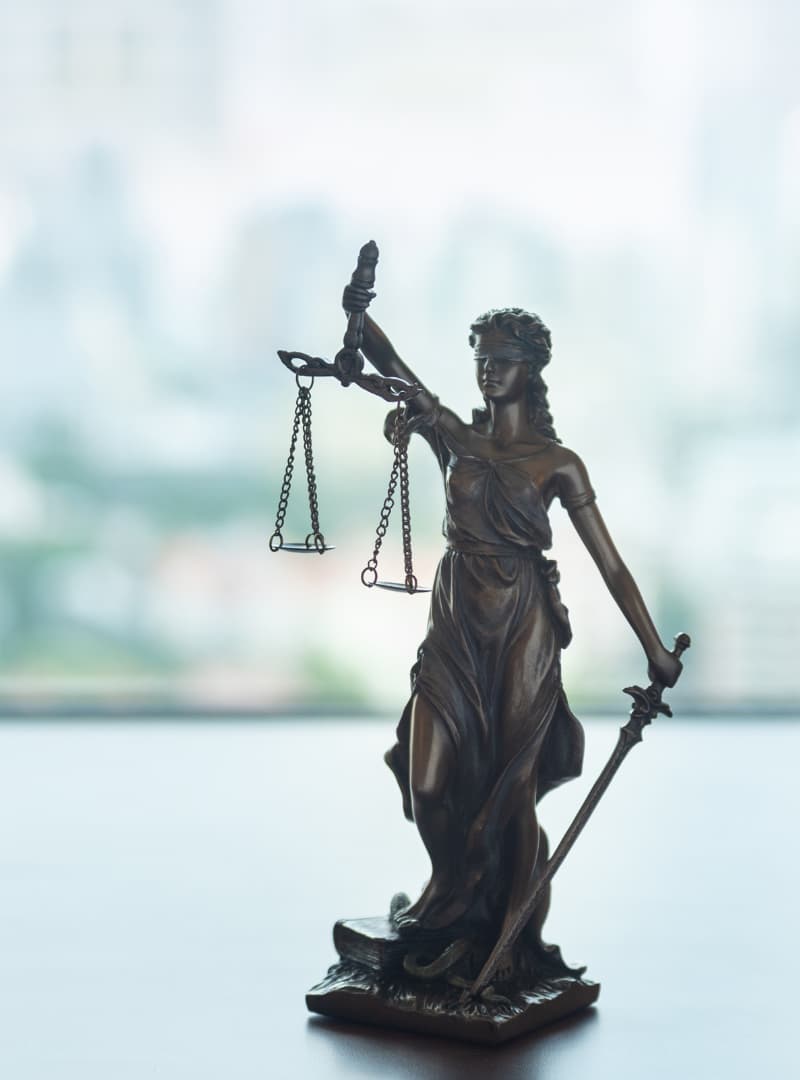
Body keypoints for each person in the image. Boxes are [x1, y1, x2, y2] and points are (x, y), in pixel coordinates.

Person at [343, 286, 682, 984]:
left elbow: (610, 562)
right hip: (456, 624)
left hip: (522, 629)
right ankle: (455, 892)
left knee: (511, 787)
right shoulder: (454, 437)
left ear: (531, 368)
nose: (487, 370)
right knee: (429, 780)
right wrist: (356, 321)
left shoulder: (558, 463)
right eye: (479, 357)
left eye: (500, 359)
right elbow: (396, 371)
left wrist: (652, 647)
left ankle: (507, 936)